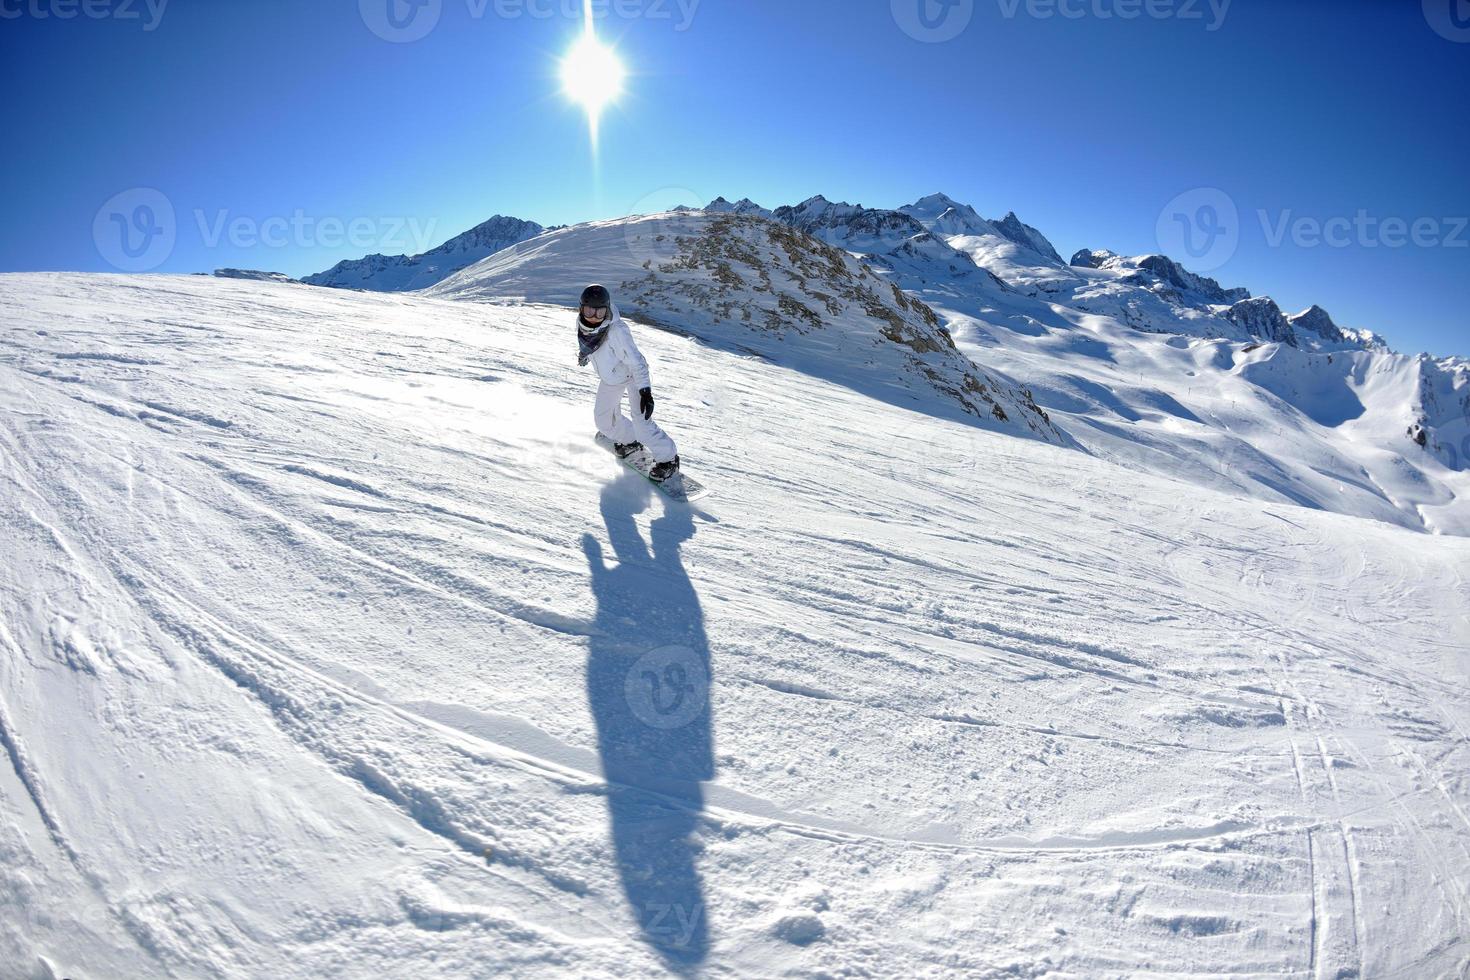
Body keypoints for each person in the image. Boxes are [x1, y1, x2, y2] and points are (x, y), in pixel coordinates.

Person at [576, 284, 681, 481]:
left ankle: (668, 460)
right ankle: (629, 441)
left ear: (607, 310)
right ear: (581, 308)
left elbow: (637, 362)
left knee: (642, 424)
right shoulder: (583, 324)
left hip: (633, 376)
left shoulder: (617, 331)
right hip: (612, 378)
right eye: (589, 310)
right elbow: (591, 344)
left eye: (600, 313)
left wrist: (645, 392)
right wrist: (585, 354)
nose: (593, 316)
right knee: (603, 421)